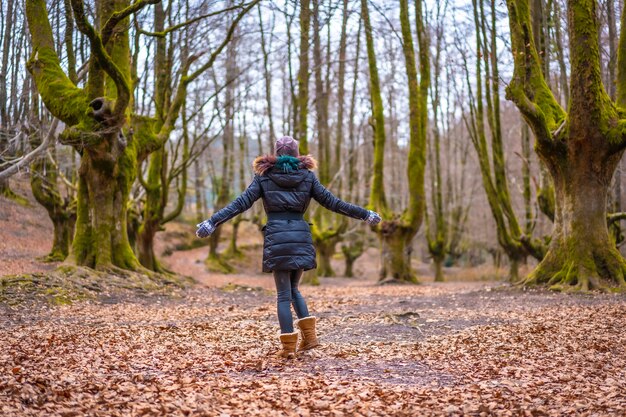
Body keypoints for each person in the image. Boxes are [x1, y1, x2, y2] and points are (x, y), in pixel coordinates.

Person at [196, 136, 381, 358]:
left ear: (275, 153)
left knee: (284, 294)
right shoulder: (307, 177)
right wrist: (365, 214)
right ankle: (310, 339)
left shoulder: (264, 177)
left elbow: (240, 203)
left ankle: (288, 349)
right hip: (300, 236)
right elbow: (335, 203)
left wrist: (212, 222)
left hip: (277, 237)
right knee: (294, 290)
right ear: (296, 154)